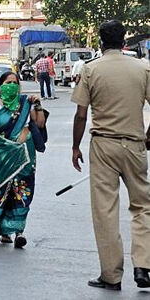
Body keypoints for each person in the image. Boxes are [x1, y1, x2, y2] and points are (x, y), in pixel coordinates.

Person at [72, 20, 150, 291]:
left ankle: (111, 275)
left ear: (101, 43)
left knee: (105, 209)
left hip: (103, 144)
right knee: (142, 205)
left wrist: (75, 147)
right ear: (124, 41)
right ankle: (143, 264)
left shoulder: (91, 69)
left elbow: (81, 113)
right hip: (135, 144)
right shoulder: (143, 68)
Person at [0, 71, 45, 248]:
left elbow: (39, 124)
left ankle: (19, 232)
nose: (11, 86)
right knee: (3, 192)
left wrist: (37, 106)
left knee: (22, 192)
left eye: (15, 83)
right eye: (8, 83)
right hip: (2, 155)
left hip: (25, 154)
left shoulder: (26, 103)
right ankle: (3, 231)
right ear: (1, 86)